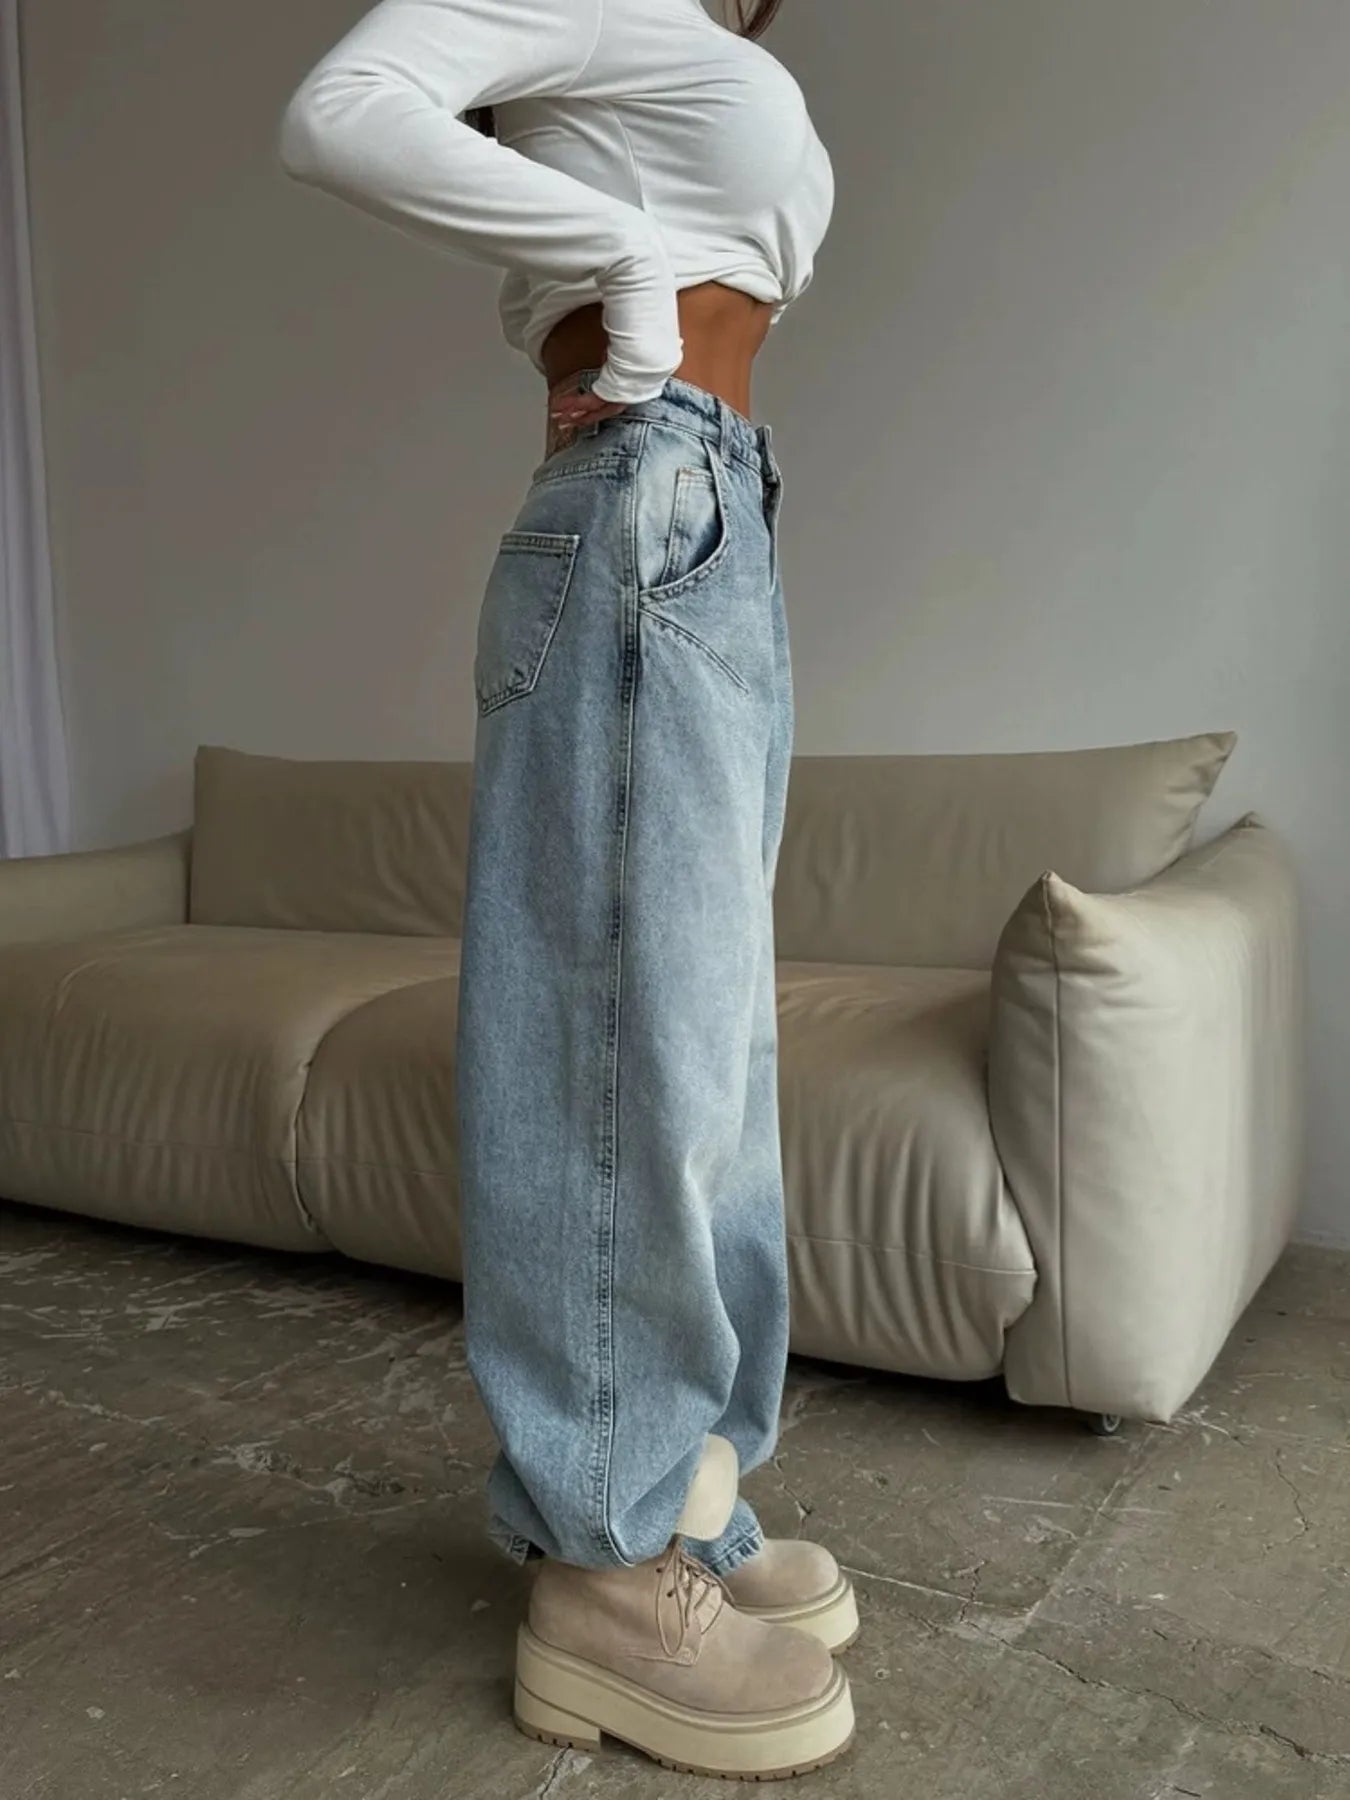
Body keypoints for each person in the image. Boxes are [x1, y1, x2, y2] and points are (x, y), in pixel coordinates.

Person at [278, 0, 852, 1777]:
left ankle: (678, 1503)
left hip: (706, 501)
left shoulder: (662, 33)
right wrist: (613, 259)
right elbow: (343, 109)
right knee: (625, 1050)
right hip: (646, 488)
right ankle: (604, 1585)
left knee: (702, 1061)